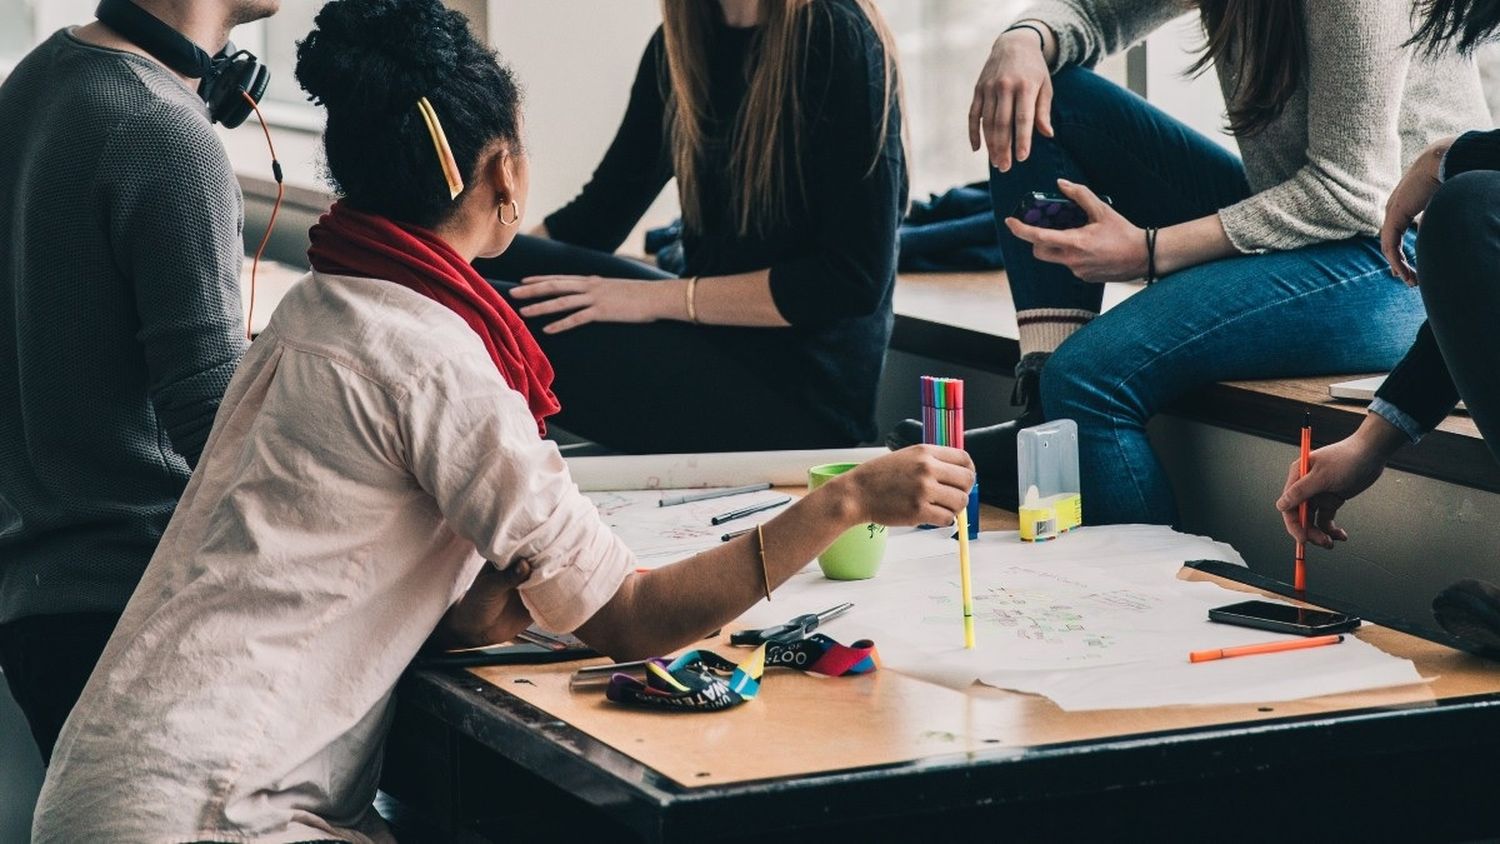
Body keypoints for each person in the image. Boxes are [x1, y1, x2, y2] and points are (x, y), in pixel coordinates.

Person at [30, 2, 973, 840]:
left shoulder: (316, 311)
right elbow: (636, 619)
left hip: (108, 782)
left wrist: (513, 593)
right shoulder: (441, 366)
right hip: (214, 812)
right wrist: (847, 500)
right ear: (502, 170)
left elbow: (377, 586)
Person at [888, 0, 1489, 521]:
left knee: (1092, 378)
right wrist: (1023, 39)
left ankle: (1151, 624)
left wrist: (1149, 250)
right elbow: (1099, 13)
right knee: (1049, 93)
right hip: (1304, 228)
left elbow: (1349, 191)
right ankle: (1043, 414)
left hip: (1394, 260)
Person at [0, 0, 277, 763]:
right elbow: (217, 426)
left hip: (43, 608)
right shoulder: (163, 130)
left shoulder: (35, 83)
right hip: (135, 613)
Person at [472, 0, 906, 454]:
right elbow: (596, 218)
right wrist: (451, 256)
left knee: (484, 312)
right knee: (461, 270)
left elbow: (851, 281)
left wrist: (650, 300)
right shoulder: (679, 46)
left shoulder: (837, 36)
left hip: (803, 399)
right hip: (715, 338)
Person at [1277, 0, 1500, 556]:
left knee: (1470, 202)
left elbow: (1340, 189)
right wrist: (1371, 441)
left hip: (1360, 264)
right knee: (1469, 206)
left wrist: (1450, 156)